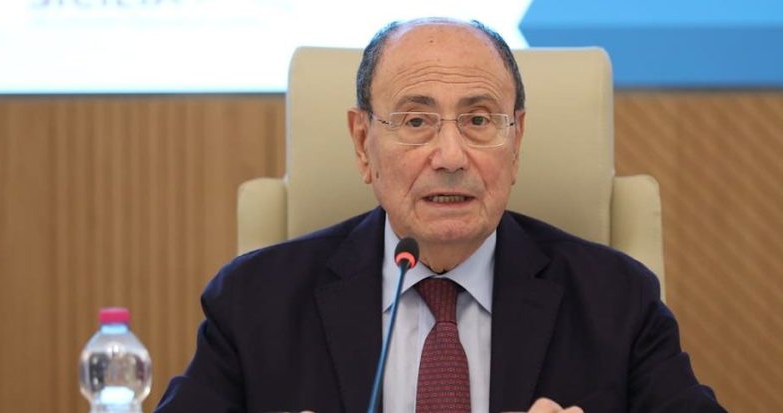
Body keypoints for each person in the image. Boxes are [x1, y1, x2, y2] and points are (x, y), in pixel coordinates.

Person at [155, 17, 724, 413]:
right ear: (362, 143)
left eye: (478, 121)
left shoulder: (615, 300)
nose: (450, 157)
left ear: (516, 141)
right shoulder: (255, 302)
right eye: (415, 121)